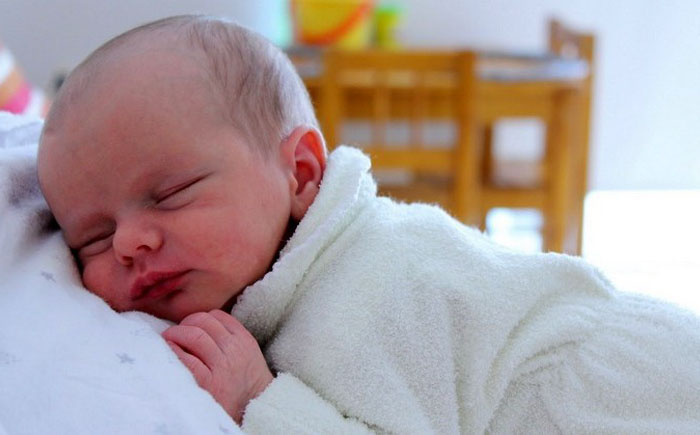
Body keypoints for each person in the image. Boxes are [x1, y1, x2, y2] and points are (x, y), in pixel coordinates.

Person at [37, 15, 700, 433]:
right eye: (91, 238)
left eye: (171, 193)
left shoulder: (372, 290)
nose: (129, 242)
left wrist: (259, 401)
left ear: (300, 175)